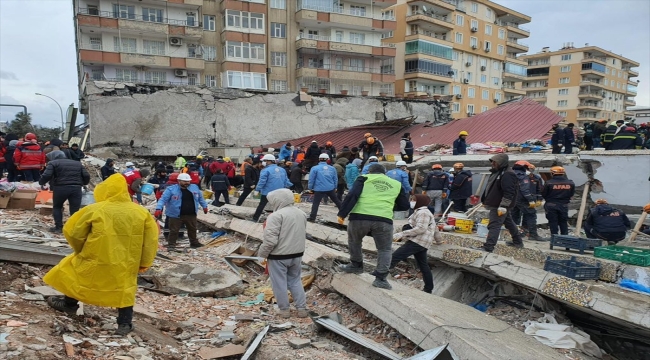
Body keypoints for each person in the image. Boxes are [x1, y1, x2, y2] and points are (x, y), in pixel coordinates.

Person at [43, 174, 158, 336]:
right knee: (125, 289)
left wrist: (80, 249)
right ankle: (124, 324)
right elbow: (151, 240)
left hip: (95, 256)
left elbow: (72, 231)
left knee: (76, 273)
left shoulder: (94, 210)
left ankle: (69, 304)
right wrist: (144, 262)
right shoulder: (141, 213)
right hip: (127, 261)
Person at [337, 163, 410, 289]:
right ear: (384, 173)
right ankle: (381, 278)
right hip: (384, 219)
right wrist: (388, 204)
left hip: (359, 217)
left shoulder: (363, 178)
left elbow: (352, 195)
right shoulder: (396, 184)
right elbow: (404, 205)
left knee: (354, 241)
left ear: (370, 172)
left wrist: (342, 213)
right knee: (385, 249)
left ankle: (356, 265)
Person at [257, 188, 309, 318]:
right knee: (295, 281)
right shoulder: (301, 213)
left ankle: (284, 310)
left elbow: (270, 240)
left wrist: (262, 254)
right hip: (297, 254)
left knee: (279, 283)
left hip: (278, 256)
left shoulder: (276, 216)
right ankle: (301, 308)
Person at [390, 194, 441, 294]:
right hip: (422, 243)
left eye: (414, 200)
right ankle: (428, 288)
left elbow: (421, 228)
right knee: (423, 265)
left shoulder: (423, 212)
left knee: (394, 257)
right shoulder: (424, 212)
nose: (411, 202)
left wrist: (402, 233)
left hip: (417, 241)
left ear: (420, 201)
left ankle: (378, 275)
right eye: (411, 199)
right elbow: (435, 228)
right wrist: (439, 240)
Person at [478, 154, 523, 252]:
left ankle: (488, 247)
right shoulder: (498, 172)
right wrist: (485, 200)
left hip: (499, 205)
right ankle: (518, 241)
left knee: (494, 225)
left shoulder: (507, 174)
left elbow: (509, 192)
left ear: (501, 162)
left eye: (495, 162)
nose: (493, 164)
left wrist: (503, 206)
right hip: (496, 203)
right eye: (492, 162)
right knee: (509, 223)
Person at [38, 150, 91, 233]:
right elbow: (86, 175)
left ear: (54, 156)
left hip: (61, 188)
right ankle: (74, 229)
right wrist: (83, 183)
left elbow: (47, 175)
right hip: (76, 188)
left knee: (57, 207)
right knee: (75, 210)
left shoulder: (53, 163)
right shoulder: (77, 163)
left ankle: (58, 228)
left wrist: (41, 182)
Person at [155, 173, 208, 251]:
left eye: (188, 181)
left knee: (192, 229)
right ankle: (171, 244)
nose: (187, 183)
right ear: (179, 181)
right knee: (174, 230)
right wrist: (158, 208)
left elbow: (200, 198)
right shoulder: (171, 189)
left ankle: (194, 243)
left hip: (191, 213)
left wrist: (204, 206)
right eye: (184, 181)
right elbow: (163, 199)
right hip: (175, 214)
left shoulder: (194, 188)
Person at [252, 154, 293, 222]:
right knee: (279, 207)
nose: (263, 162)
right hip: (280, 192)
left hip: (267, 192)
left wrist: (257, 189)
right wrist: (289, 187)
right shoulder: (282, 170)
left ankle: (255, 218)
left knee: (261, 205)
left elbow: (262, 182)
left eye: (264, 161)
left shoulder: (265, 170)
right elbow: (286, 181)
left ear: (269, 161)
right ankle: (279, 221)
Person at [509, 161, 543, 241]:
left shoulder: (510, 175)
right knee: (531, 216)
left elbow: (539, 189)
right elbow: (525, 190)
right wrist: (531, 200)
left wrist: (539, 199)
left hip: (514, 199)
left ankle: (516, 234)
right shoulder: (523, 176)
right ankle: (532, 235)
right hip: (525, 200)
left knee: (515, 217)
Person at [541, 166, 575, 237]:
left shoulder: (549, 183)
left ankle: (554, 238)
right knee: (563, 222)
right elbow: (571, 194)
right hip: (564, 205)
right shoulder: (570, 183)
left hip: (551, 205)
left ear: (552, 173)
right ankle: (565, 238)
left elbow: (544, 194)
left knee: (553, 222)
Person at [308, 153, 342, 222]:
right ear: (327, 160)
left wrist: (310, 188)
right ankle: (344, 213)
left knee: (316, 203)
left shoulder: (315, 168)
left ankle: (312, 218)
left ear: (319, 159)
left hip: (319, 189)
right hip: (330, 188)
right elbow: (335, 179)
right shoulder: (332, 168)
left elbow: (311, 179)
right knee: (337, 201)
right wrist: (335, 187)